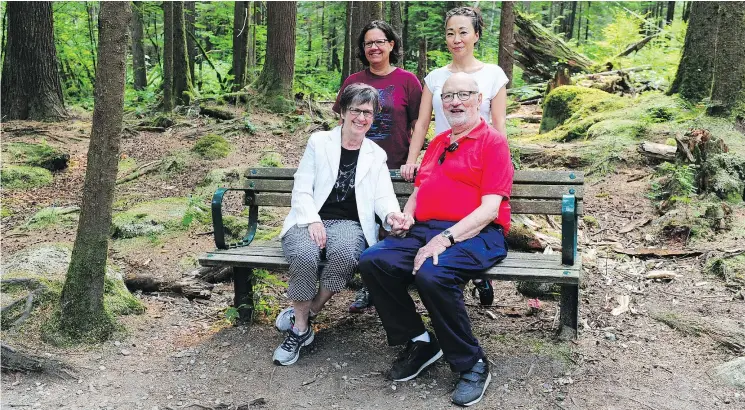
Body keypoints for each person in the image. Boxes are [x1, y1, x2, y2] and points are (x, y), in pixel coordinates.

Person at [358, 73, 514, 407]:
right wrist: (406, 216)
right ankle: (420, 340)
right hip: (426, 229)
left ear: (479, 100)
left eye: (463, 95)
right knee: (375, 260)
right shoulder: (440, 141)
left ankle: (472, 363)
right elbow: (420, 189)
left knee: (433, 273)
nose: (455, 102)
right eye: (448, 96)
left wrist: (444, 239)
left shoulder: (493, 142)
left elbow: (489, 210)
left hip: (477, 233)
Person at [273, 83, 409, 366]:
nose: (361, 118)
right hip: (309, 218)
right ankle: (299, 330)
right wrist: (312, 220)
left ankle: (309, 312)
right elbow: (302, 186)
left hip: (349, 223)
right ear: (343, 113)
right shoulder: (319, 142)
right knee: (303, 254)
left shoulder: (375, 154)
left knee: (346, 255)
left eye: (368, 113)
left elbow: (383, 195)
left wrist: (391, 216)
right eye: (356, 111)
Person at [401, 6, 509, 307]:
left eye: (463, 32)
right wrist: (413, 159)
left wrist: (501, 162)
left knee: (472, 213)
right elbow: (422, 122)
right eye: (450, 33)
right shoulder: (435, 78)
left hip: (478, 157)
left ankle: (474, 272)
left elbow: (499, 124)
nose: (456, 38)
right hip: (442, 157)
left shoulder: (493, 75)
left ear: (476, 35)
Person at [332, 20, 423, 313]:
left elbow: (418, 124)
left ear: (391, 45)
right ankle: (368, 286)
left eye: (380, 42)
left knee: (393, 223)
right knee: (364, 223)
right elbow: (340, 121)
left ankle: (393, 282)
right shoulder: (353, 81)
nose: (374, 47)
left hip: (397, 165)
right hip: (358, 165)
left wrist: (411, 160)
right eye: (368, 43)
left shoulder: (408, 81)